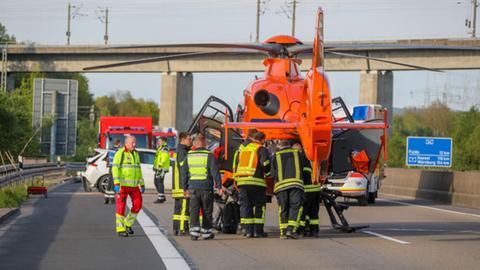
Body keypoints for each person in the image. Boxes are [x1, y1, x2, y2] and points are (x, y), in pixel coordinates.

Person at [181, 133, 224, 240]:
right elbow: (215, 172)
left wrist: (184, 188)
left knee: (194, 210)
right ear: (203, 143)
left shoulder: (189, 155)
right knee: (207, 210)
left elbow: (184, 173)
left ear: (195, 144)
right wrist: (219, 186)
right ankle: (206, 233)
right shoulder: (209, 155)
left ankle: (194, 233)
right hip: (206, 188)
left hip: (192, 188)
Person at [235, 131, 270, 238]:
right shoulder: (261, 149)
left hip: (242, 182)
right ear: (262, 140)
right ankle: (258, 231)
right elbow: (265, 164)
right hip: (256, 182)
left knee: (246, 206)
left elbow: (237, 163)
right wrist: (268, 173)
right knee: (259, 206)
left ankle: (248, 231)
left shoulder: (243, 148)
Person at [112, 136, 145, 237]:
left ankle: (128, 223)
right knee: (121, 208)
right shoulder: (120, 153)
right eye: (132, 143)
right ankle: (121, 228)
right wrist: (117, 184)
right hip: (123, 186)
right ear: (126, 143)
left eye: (135, 142)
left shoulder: (136, 154)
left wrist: (142, 184)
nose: (134, 144)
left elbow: (138, 170)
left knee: (138, 205)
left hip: (134, 186)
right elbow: (115, 169)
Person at [271, 140, 304, 239]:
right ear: (289, 146)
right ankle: (291, 230)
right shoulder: (297, 153)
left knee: (283, 208)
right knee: (295, 207)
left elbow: (272, 173)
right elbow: (304, 167)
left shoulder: (275, 156)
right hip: (295, 184)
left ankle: (283, 232)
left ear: (280, 146)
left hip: (281, 186)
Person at [293, 142, 320, 237]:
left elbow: (303, 174)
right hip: (316, 189)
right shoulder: (311, 157)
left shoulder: (301, 158)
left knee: (303, 212)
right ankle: (314, 231)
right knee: (313, 212)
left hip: (307, 189)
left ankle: (301, 230)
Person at [172, 132, 192, 236]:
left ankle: (176, 228)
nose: (191, 141)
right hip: (182, 185)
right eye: (189, 139)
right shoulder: (183, 151)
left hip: (177, 185)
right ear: (183, 139)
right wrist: (186, 186)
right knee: (184, 207)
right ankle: (183, 228)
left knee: (178, 208)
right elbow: (184, 169)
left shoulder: (179, 150)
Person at [153, 136, 170, 203]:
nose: (158, 142)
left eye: (159, 141)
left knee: (159, 182)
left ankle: (161, 198)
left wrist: (160, 164)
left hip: (161, 168)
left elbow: (164, 157)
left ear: (163, 141)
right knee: (157, 182)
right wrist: (155, 166)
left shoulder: (164, 148)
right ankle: (161, 196)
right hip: (159, 168)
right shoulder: (160, 147)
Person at [105, 139, 121, 204]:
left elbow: (107, 158)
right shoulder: (117, 151)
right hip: (114, 168)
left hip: (110, 167)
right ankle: (112, 199)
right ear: (118, 143)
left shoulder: (110, 149)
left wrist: (108, 164)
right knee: (113, 183)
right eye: (120, 143)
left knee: (109, 183)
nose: (120, 145)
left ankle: (106, 199)